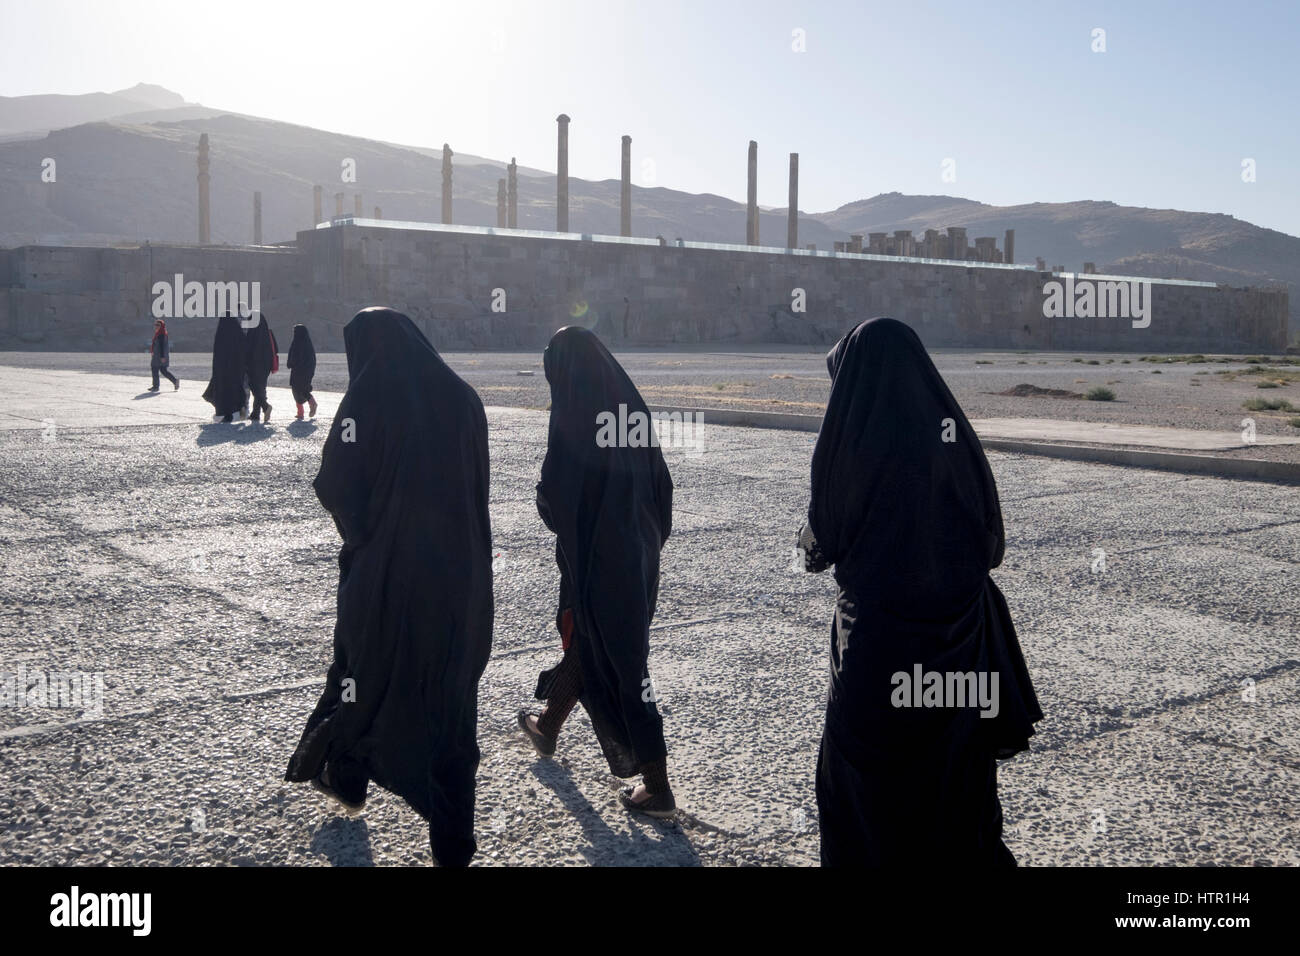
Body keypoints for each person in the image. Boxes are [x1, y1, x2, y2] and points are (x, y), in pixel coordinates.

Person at [800, 317, 1042, 866]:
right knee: (954, 796)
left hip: (878, 654)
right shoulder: (949, 433)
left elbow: (820, 543)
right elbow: (991, 544)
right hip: (962, 649)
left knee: (867, 804)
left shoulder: (853, 442)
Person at [285, 307, 493, 868]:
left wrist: (364, 535)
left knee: (361, 674)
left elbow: (336, 484)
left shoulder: (370, 394)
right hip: (460, 584)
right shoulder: (464, 398)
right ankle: (451, 842)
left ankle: (347, 773)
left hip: (387, 581)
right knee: (450, 708)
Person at [516, 326, 677, 818]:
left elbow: (557, 497)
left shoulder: (574, 414)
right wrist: (642, 541)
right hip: (637, 556)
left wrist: (556, 513)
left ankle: (658, 785)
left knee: (624, 664)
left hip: (598, 562)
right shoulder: (630, 408)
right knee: (593, 642)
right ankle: (548, 724)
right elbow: (662, 486)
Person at [201, 314, 245, 423]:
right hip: (236, 368)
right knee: (234, 389)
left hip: (222, 369)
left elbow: (217, 354)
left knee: (222, 390)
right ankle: (235, 409)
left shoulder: (220, 333)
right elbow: (243, 349)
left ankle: (225, 412)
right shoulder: (238, 332)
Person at [243, 311, 279, 423]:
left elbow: (247, 349)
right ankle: (255, 413)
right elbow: (276, 348)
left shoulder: (252, 333)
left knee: (254, 387)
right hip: (266, 366)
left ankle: (265, 406)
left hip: (254, 365)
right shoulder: (268, 333)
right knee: (261, 388)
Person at [286, 324, 318, 420]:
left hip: (298, 372)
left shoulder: (297, 343)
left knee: (298, 390)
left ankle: (305, 409)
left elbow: (293, 357)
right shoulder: (308, 344)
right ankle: (306, 408)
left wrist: (290, 364)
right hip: (306, 371)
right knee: (301, 389)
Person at [147, 319, 179, 392]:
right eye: (155, 325)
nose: (156, 326)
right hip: (158, 355)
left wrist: (162, 357)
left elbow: (162, 346)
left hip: (159, 356)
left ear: (162, 326)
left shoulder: (161, 334)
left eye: (158, 325)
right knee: (163, 370)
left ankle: (156, 387)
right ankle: (175, 381)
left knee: (155, 369)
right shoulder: (159, 334)